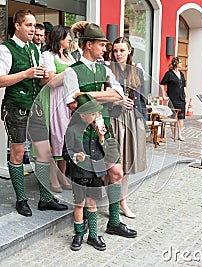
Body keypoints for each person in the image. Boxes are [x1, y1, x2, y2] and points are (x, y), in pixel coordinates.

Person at [64, 21, 137, 238]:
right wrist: (103, 94)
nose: (105, 49)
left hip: (105, 128)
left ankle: (114, 222)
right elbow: (72, 104)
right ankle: (86, 219)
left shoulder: (105, 69)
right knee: (87, 177)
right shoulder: (71, 72)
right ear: (88, 45)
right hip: (82, 133)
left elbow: (119, 95)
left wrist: (86, 94)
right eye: (101, 45)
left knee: (116, 172)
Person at [0, 9, 67, 217]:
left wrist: (42, 76)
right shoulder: (5, 50)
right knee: (17, 154)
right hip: (15, 107)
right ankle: (21, 199)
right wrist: (26, 73)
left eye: (34, 25)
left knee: (44, 152)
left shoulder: (35, 50)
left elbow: (38, 80)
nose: (33, 29)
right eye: (28, 25)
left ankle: (45, 199)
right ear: (17, 26)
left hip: (36, 108)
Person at [63, 94, 108, 251]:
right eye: (92, 114)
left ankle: (93, 235)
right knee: (79, 204)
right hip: (80, 174)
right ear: (82, 115)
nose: (96, 116)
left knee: (92, 204)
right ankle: (78, 234)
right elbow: (65, 153)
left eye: (96, 113)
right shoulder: (72, 130)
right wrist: (76, 156)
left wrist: (102, 138)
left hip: (94, 173)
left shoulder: (96, 128)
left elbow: (105, 151)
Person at [110, 37, 147, 219]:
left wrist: (143, 124)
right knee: (114, 166)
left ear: (129, 51)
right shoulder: (108, 70)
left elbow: (142, 100)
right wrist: (117, 102)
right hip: (114, 121)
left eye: (122, 51)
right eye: (116, 50)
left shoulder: (137, 72)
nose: (118, 54)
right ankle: (112, 202)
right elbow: (103, 96)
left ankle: (122, 202)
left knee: (126, 166)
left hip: (132, 121)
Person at [39, 25, 75, 192]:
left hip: (69, 99)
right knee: (56, 139)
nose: (70, 39)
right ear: (59, 37)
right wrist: (72, 72)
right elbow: (51, 79)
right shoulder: (48, 55)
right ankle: (53, 178)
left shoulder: (69, 56)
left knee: (67, 139)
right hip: (55, 99)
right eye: (67, 36)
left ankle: (62, 175)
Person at [160, 57, 187, 141]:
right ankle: (173, 134)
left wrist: (186, 96)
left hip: (181, 99)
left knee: (181, 117)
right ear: (176, 64)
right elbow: (162, 84)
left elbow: (184, 86)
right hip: (172, 99)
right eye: (180, 62)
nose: (182, 64)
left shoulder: (181, 74)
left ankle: (180, 134)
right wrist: (164, 94)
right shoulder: (169, 74)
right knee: (173, 117)